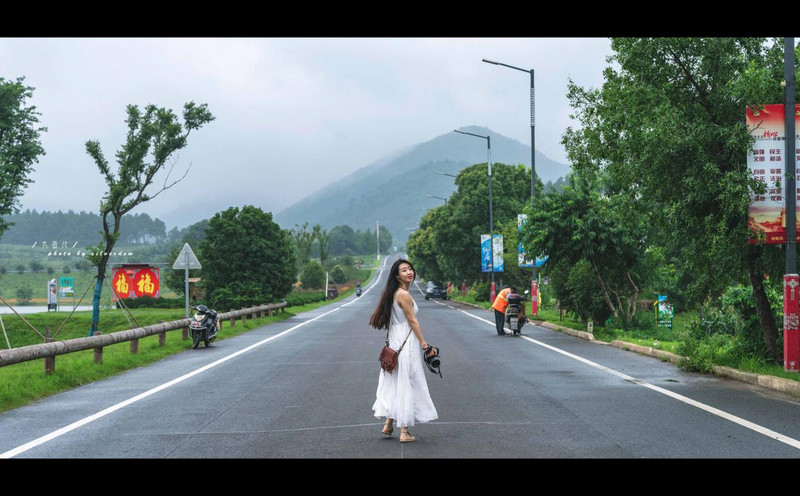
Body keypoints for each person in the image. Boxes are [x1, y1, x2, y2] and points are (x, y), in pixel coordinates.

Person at [369, 258, 438, 443]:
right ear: (397, 276)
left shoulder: (393, 293)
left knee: (396, 382)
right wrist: (425, 345)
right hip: (405, 344)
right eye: (404, 270)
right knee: (408, 382)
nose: (409, 272)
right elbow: (413, 321)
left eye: (410, 269)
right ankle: (404, 431)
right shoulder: (404, 295)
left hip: (394, 342)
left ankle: (389, 423)